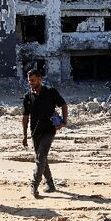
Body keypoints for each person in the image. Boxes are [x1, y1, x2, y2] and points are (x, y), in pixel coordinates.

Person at [22, 69, 68, 197]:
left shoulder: (51, 92)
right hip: (35, 133)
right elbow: (25, 116)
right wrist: (25, 135)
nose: (30, 83)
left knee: (40, 157)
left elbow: (63, 105)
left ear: (40, 79)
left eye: (33, 80)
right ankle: (50, 184)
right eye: (29, 81)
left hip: (49, 131)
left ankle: (34, 185)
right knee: (42, 159)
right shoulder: (28, 96)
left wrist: (64, 121)